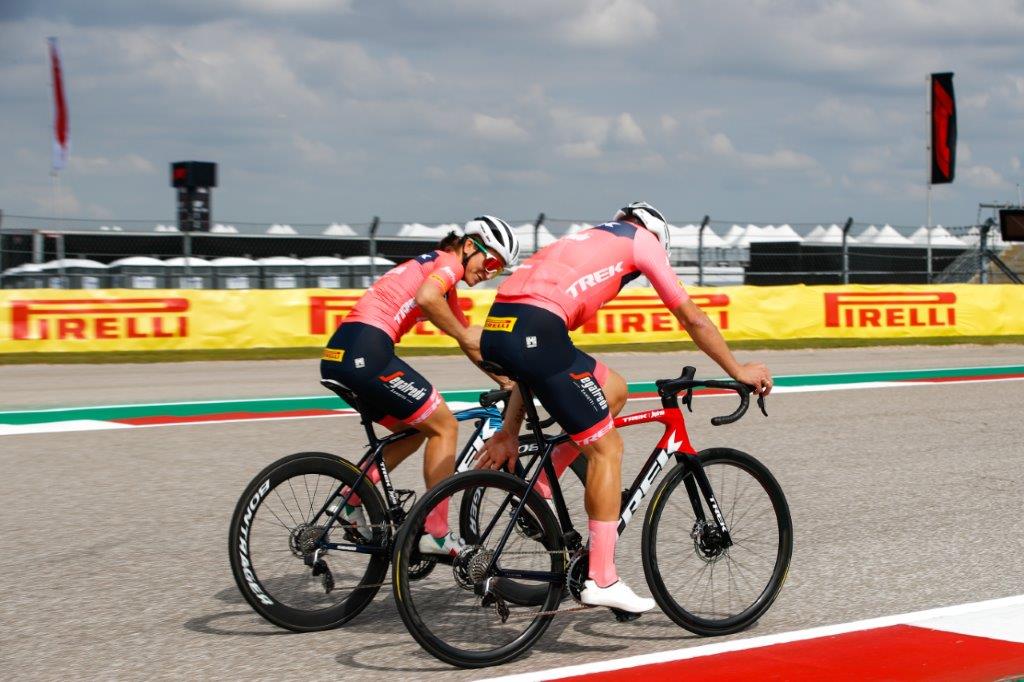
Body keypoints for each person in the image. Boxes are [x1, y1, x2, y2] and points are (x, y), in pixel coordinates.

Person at [475, 202, 773, 613]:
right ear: (656, 236)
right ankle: (602, 578)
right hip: (536, 333)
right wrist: (737, 368)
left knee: (613, 390)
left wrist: (508, 432)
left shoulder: (587, 238)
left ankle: (541, 482)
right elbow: (690, 316)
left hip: (500, 327)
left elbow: (531, 365)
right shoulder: (642, 242)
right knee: (607, 449)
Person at [321, 216, 520, 556]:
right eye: (490, 263)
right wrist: (464, 336)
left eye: (498, 270)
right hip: (366, 351)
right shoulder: (446, 264)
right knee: (443, 426)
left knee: (415, 429)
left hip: (342, 353)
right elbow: (428, 299)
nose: (489, 274)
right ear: (470, 246)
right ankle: (438, 533)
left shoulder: (439, 273)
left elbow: (467, 341)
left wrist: (507, 381)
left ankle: (349, 501)